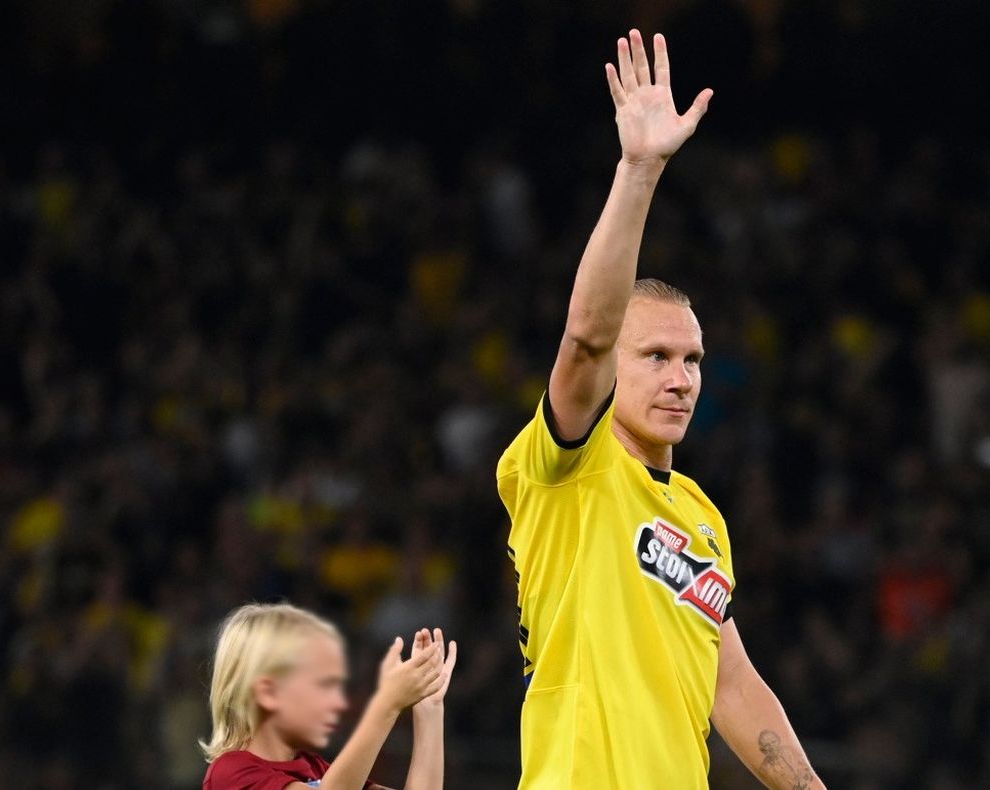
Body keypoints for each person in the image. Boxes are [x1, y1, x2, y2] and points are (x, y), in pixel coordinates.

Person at [496, 29, 824, 789]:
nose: (681, 379)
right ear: (612, 370)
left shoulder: (701, 516)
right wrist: (639, 171)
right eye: (655, 357)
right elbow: (586, 337)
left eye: (692, 360)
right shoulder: (566, 469)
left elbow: (731, 684)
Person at [199, 603, 458, 789]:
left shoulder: (316, 768)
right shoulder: (230, 774)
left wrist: (429, 709)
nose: (337, 703)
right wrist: (386, 704)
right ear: (268, 693)